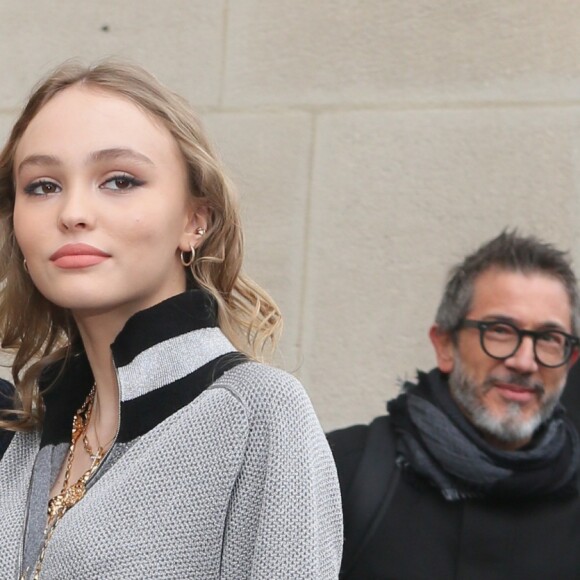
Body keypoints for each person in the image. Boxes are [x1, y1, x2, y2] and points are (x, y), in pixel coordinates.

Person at [0, 60, 342, 579]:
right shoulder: (30, 429)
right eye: (43, 186)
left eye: (119, 180)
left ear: (195, 220)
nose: (72, 212)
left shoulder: (257, 413)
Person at [328, 231, 580, 579]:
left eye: (549, 339)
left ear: (570, 360)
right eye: (501, 330)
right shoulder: (339, 472)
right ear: (445, 345)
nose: (524, 361)